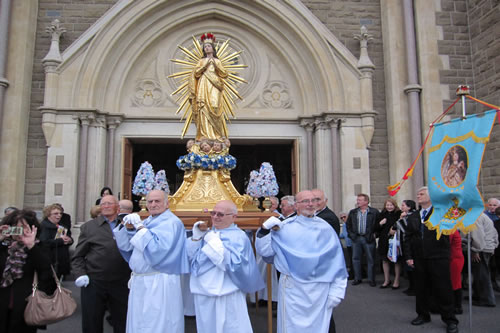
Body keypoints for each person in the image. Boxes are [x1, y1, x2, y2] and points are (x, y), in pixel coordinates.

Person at [256, 190, 347, 333]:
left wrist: (337, 291)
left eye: (313, 201)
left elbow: (336, 262)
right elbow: (266, 252)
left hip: (320, 289)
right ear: (296, 206)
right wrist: (264, 231)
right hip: (293, 290)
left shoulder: (326, 228)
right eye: (305, 201)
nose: (310, 204)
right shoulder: (284, 227)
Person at [113, 190, 189, 333]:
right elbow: (130, 247)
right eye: (150, 201)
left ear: (167, 204)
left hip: (159, 280)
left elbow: (158, 250)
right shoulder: (149, 220)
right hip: (141, 281)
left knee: (156, 323)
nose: (153, 205)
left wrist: (140, 228)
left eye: (157, 201)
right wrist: (128, 229)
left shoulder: (172, 223)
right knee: (139, 321)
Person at [187, 200, 264, 333]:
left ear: (233, 217)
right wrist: (196, 237)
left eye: (221, 214)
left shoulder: (239, 237)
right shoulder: (208, 233)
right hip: (203, 291)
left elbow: (234, 264)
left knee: (231, 328)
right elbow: (192, 258)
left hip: (227, 293)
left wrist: (212, 240)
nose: (215, 217)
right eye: (213, 213)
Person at [72, 195, 131, 333]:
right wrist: (80, 274)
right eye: (103, 204)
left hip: (121, 281)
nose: (105, 206)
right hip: (94, 281)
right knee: (92, 321)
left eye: (109, 203)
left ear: (118, 207)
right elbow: (78, 255)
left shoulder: (126, 224)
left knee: (122, 320)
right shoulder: (89, 227)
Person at [404, 187, 458, 333]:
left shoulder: (441, 213)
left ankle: (450, 319)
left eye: (422, 194)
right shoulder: (414, 216)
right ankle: (422, 314)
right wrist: (409, 256)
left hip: (438, 256)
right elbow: (408, 237)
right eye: (418, 194)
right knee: (421, 288)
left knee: (443, 288)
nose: (418, 196)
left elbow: (453, 224)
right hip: (419, 257)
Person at [0, 209, 56, 333]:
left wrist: (31, 246)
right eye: (15, 227)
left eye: (23, 227)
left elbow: (46, 272)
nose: (19, 232)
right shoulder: (3, 247)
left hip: (26, 306)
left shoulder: (39, 247)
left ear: (32, 229)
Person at [189, 33, 229, 141]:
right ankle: (204, 134)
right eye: (205, 47)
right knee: (203, 107)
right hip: (203, 85)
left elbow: (224, 74)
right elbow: (196, 73)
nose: (207, 48)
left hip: (215, 85)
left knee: (214, 106)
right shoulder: (201, 61)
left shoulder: (217, 61)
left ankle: (217, 134)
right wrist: (205, 66)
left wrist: (215, 65)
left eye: (209, 46)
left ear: (213, 48)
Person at [346, 193, 380, 286]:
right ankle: (357, 278)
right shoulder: (353, 212)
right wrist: (352, 235)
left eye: (360, 200)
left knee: (370, 259)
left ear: (366, 201)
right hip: (356, 238)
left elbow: (378, 225)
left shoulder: (374, 212)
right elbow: (348, 225)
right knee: (355, 259)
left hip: (368, 238)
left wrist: (375, 235)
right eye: (358, 200)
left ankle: (371, 279)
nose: (358, 202)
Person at [469, 213, 498, 307]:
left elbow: (478, 235)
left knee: (482, 274)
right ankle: (478, 296)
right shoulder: (484, 216)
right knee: (480, 273)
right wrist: (493, 246)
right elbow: (494, 233)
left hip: (482, 248)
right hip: (487, 247)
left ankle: (487, 299)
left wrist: (476, 250)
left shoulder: (476, 217)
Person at [39, 204, 73, 279]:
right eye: (56, 213)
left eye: (60, 213)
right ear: (48, 215)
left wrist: (70, 240)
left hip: (61, 260)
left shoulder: (62, 225)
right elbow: (44, 242)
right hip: (51, 260)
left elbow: (69, 236)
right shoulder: (44, 226)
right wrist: (61, 241)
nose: (59, 215)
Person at [375, 198, 402, 289]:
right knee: (384, 260)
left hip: (395, 240)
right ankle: (386, 280)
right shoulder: (382, 214)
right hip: (384, 240)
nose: (389, 207)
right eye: (387, 205)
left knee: (396, 260)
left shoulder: (399, 214)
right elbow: (376, 228)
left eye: (391, 205)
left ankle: (396, 280)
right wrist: (380, 224)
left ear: (395, 205)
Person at [396, 199, 418, 296]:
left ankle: (414, 287)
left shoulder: (412, 216)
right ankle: (411, 286)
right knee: (408, 266)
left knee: (412, 267)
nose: (402, 207)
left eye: (404, 205)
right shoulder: (404, 216)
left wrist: (401, 219)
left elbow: (406, 229)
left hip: (412, 244)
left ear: (409, 207)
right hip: (404, 244)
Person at [483, 198, 500, 292]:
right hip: (489, 244)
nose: (492, 207)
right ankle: (492, 282)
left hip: (496, 244)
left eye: (495, 205)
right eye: (490, 205)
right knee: (491, 265)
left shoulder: (498, 216)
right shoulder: (485, 215)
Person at [449, 230, 464, 314]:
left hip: (454, 259)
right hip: (455, 258)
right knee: (455, 282)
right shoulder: (453, 230)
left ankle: (457, 306)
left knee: (455, 283)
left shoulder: (451, 231)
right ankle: (456, 305)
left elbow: (447, 243)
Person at [339, 212, 353, 280]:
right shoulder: (344, 225)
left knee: (353, 259)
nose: (343, 219)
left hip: (352, 243)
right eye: (341, 218)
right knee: (350, 259)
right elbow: (343, 234)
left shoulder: (350, 224)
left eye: (344, 217)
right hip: (348, 244)